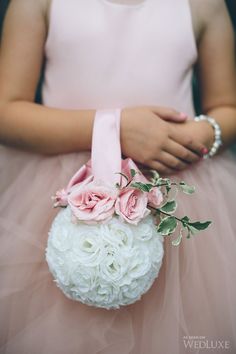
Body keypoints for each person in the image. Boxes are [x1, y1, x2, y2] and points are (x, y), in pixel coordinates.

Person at [0, 0, 235, 353]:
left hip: (175, 188)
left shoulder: (203, 5)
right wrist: (115, 128)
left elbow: (227, 107)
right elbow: (6, 111)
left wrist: (201, 135)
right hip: (66, 189)